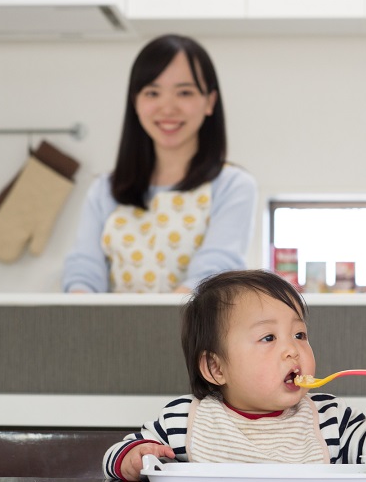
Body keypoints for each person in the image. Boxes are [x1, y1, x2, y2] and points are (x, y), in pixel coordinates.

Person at [103, 269, 366, 481]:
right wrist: (136, 456)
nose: (293, 349)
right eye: (268, 338)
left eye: (299, 335)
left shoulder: (325, 418)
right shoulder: (184, 419)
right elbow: (117, 454)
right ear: (216, 368)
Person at [62, 34, 257, 293]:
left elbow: (214, 271)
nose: (167, 108)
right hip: (112, 331)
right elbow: (84, 270)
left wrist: (161, 325)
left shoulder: (233, 186)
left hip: (194, 333)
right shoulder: (104, 189)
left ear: (209, 102)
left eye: (184, 92)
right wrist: (80, 306)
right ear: (136, 102)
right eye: (152, 93)